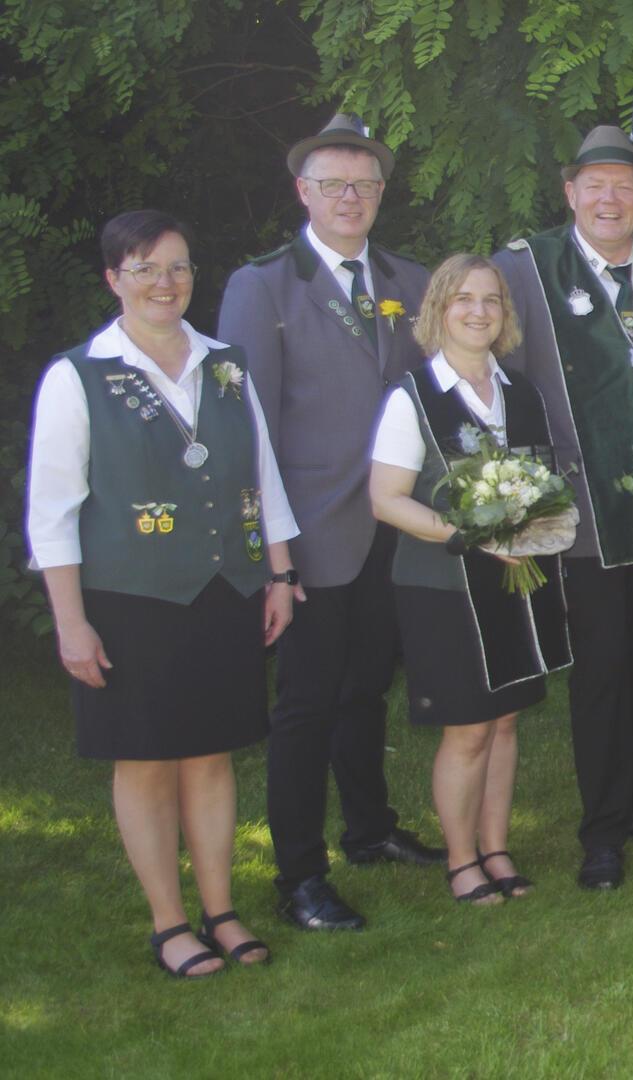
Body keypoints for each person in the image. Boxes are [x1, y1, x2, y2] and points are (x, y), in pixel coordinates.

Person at [27, 209, 300, 975]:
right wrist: (70, 623)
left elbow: (261, 476)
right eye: (144, 268)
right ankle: (168, 923)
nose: (164, 283)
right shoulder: (78, 375)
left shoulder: (225, 364)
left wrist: (278, 574)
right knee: (145, 761)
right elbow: (51, 514)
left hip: (224, 588)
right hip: (130, 599)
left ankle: (222, 910)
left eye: (177, 267)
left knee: (211, 757)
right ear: (114, 279)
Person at [217, 111, 440, 932]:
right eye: (334, 185)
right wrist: (274, 556)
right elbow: (249, 431)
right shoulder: (263, 286)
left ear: (382, 195)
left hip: (396, 524)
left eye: (366, 185)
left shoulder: (412, 282)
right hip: (310, 534)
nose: (351, 198)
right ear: (303, 192)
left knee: (366, 688)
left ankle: (371, 831)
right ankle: (298, 877)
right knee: (306, 705)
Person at [495, 124, 633, 890]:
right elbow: (501, 384)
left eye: (625, 186)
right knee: (602, 672)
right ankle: (600, 833)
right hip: (583, 512)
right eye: (594, 185)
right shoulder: (525, 266)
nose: (609, 198)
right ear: (571, 193)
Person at [368, 254, 573, 905]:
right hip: (444, 586)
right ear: (438, 310)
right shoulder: (413, 395)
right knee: (468, 728)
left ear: (503, 314)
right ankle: (461, 861)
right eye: (463, 299)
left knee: (506, 721)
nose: (478, 311)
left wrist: (534, 528)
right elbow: (386, 498)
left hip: (517, 580)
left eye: (490, 300)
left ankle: (497, 846)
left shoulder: (521, 393)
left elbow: (544, 485)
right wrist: (471, 535)